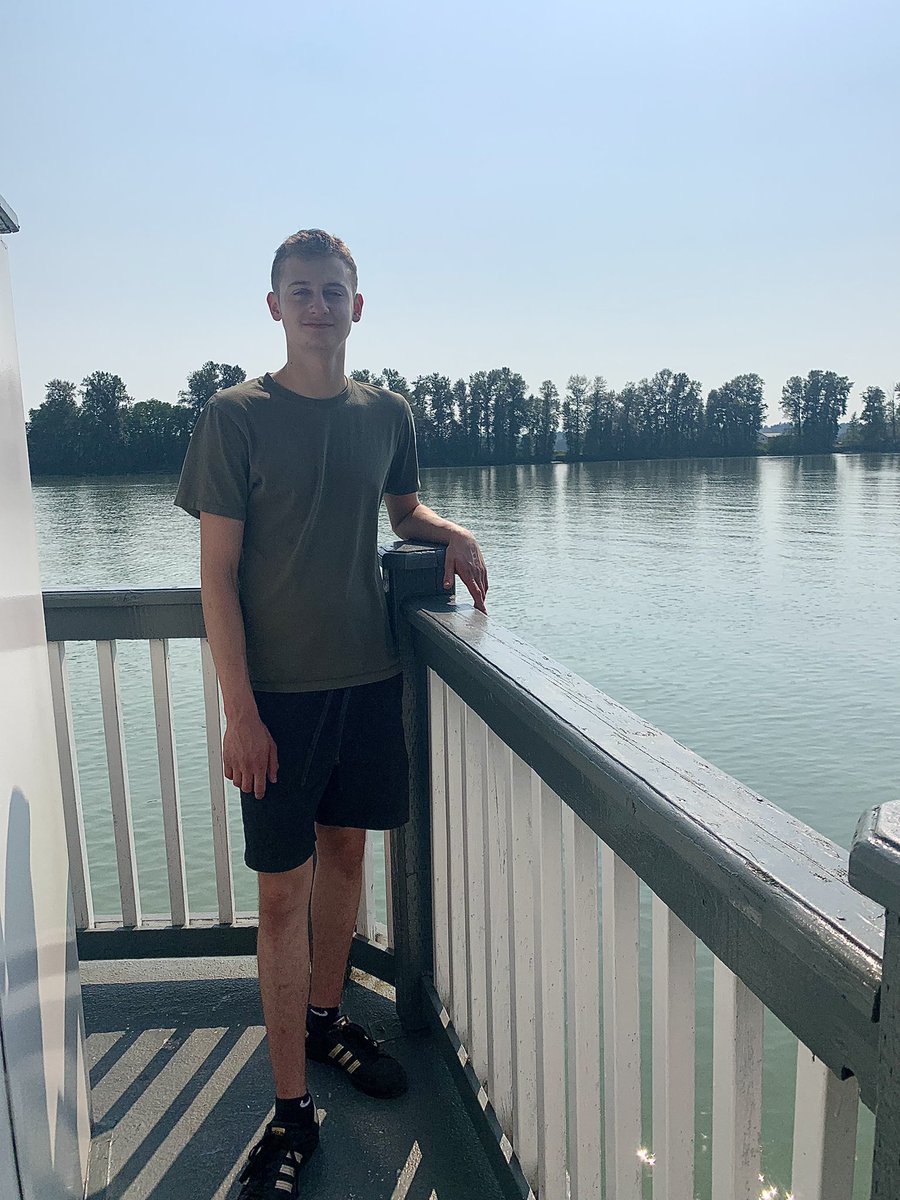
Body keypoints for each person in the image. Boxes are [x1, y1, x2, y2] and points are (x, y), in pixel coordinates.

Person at [174, 228, 488, 1198]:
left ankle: (324, 1020)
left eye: (334, 291)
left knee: (347, 857)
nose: (319, 306)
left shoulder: (385, 411)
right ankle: (288, 1110)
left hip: (366, 683)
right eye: (301, 292)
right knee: (282, 894)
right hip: (276, 701)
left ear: (359, 306)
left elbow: (402, 514)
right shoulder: (235, 417)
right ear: (275, 307)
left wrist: (454, 532)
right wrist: (241, 713)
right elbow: (216, 577)